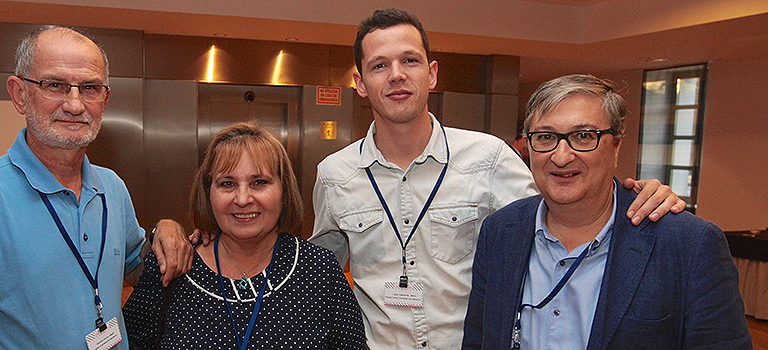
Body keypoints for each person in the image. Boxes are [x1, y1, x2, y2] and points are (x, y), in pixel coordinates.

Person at [309, 9, 686, 349]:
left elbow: (560, 216)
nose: (396, 75)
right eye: (379, 66)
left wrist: (632, 194)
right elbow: (318, 271)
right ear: (359, 83)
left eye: (410, 60)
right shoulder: (334, 175)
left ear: (432, 73)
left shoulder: (488, 158)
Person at [0, 26, 192, 350]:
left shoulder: (111, 187)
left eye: (89, 88)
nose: (74, 104)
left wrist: (165, 230)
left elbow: (139, 270)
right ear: (19, 94)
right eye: (54, 85)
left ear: (105, 98)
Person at [461, 74, 751, 349]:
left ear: (616, 147)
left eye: (584, 136)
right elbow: (478, 339)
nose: (561, 156)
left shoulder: (687, 244)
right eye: (546, 137)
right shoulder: (500, 231)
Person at [123, 122, 367, 350]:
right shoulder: (174, 267)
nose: (242, 199)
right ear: (208, 193)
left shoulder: (319, 269)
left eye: (259, 182)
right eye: (227, 184)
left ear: (284, 191)